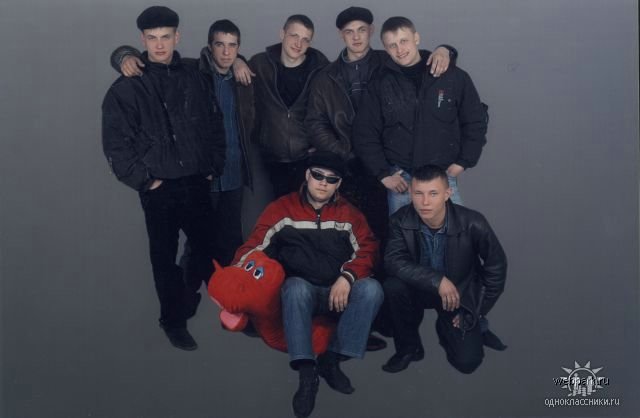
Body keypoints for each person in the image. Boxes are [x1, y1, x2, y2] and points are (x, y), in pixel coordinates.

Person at [304, 7, 457, 348]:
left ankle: (393, 319)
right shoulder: (327, 76)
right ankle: (355, 319)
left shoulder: (389, 60)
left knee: (392, 242)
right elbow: (315, 121)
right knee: (348, 242)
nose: (356, 36)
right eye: (349, 31)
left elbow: (426, 63)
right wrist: (346, 152)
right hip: (349, 168)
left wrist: (446, 50)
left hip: (390, 169)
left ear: (372, 32)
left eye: (361, 30)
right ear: (341, 35)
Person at [102, 6, 226, 351]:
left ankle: (193, 296)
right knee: (163, 258)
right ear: (142, 40)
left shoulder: (194, 75)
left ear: (177, 37)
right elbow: (115, 145)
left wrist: (213, 164)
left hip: (196, 180)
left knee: (208, 249)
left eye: (166, 37)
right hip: (159, 188)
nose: (159, 45)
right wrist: (146, 181)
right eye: (152, 38)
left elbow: (215, 121)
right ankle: (173, 321)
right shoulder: (125, 88)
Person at [232, 151, 383, 418]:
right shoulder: (282, 209)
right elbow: (254, 248)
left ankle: (332, 360)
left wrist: (347, 277)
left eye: (331, 179)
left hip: (337, 291)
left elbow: (368, 250)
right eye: (318, 175)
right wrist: (234, 280)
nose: (323, 183)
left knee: (372, 290)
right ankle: (306, 373)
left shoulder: (349, 214)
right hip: (300, 293)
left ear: (338, 184)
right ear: (307, 175)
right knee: (295, 287)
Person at [108, 20, 255, 268]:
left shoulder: (243, 79)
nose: (226, 52)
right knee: (195, 252)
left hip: (230, 175)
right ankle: (188, 290)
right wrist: (124, 56)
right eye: (220, 45)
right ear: (209, 47)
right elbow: (150, 60)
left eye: (233, 46)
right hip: (196, 178)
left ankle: (226, 292)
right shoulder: (195, 70)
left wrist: (240, 61)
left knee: (227, 245)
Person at [353, 16, 489, 215]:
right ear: (385, 48)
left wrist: (464, 161)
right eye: (392, 45)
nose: (399, 49)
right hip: (402, 180)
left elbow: (475, 121)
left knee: (455, 232)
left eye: (404, 41)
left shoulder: (452, 76)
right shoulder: (380, 83)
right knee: (402, 234)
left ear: (416, 38)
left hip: (442, 177)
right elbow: (364, 132)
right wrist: (383, 174)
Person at [382, 165, 507, 374]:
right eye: (419, 193)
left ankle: (446, 327)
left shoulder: (473, 222)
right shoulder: (400, 220)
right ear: (410, 193)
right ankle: (409, 348)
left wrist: (476, 310)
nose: (425, 202)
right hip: (418, 289)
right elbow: (393, 261)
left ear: (447, 194)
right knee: (392, 286)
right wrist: (437, 281)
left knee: (467, 362)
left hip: (459, 294)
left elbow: (496, 268)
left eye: (433, 193)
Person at [249, 15, 329, 198]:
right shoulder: (260, 64)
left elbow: (334, 109)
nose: (298, 44)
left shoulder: (321, 68)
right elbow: (225, 62)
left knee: (305, 210)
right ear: (282, 34)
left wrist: (321, 144)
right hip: (270, 158)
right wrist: (238, 60)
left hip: (307, 158)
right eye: (294, 36)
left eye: (305, 39)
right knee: (276, 211)